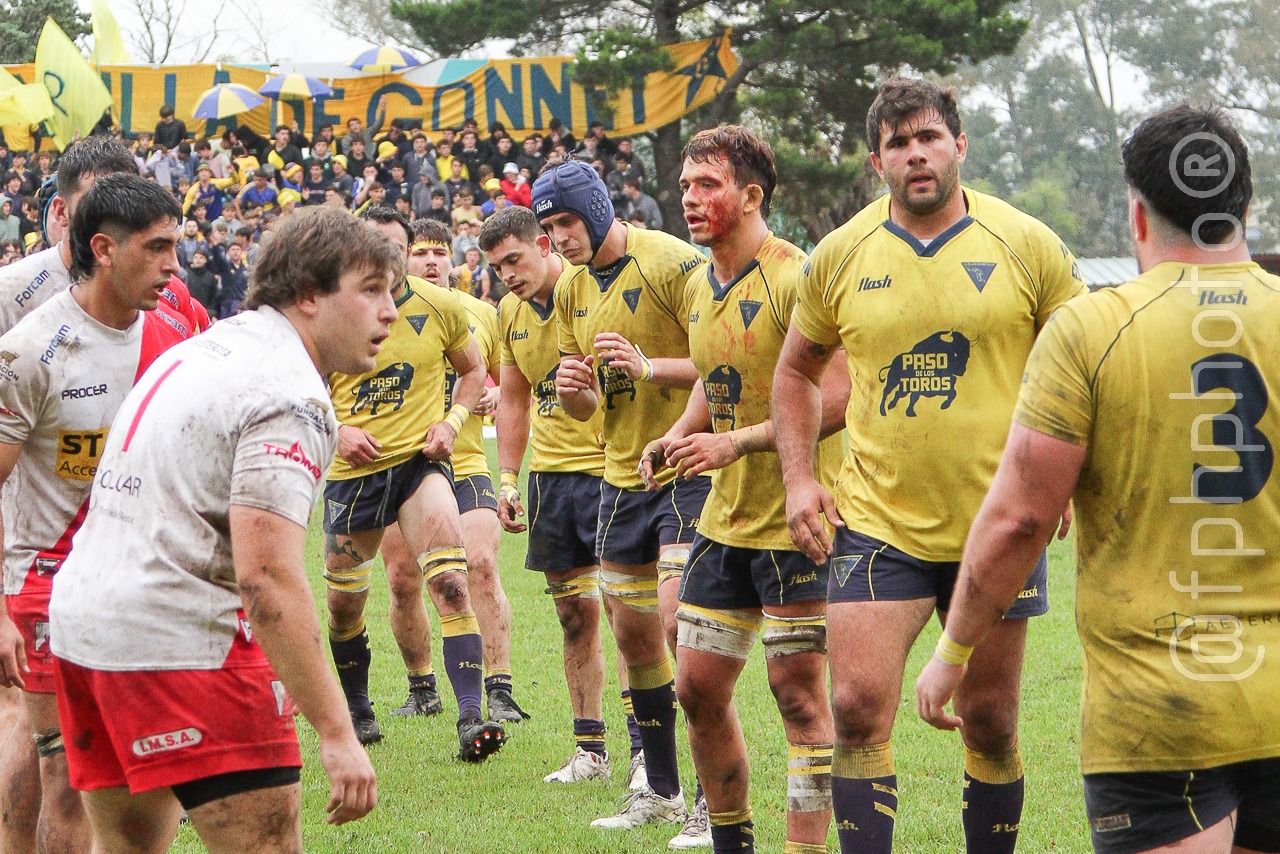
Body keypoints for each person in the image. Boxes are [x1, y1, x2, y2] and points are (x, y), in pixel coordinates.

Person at [916, 103, 1280, 854]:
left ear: (1138, 217)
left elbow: (1021, 517)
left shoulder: (1088, 329)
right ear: (1241, 207)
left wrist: (952, 652)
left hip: (1156, 711)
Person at [771, 77, 1084, 854]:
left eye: (929, 138)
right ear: (876, 159)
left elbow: (1085, 362)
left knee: (991, 721)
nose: (916, 155)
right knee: (855, 706)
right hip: (879, 522)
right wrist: (800, 478)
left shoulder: (1028, 243)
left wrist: (1067, 475)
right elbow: (795, 373)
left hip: (998, 523)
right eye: (898, 143)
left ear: (960, 147)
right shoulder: (840, 255)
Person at [46, 205, 392, 851]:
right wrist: (339, 733)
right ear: (309, 294)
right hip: (180, 640)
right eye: (371, 289)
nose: (390, 311)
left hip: (85, 625)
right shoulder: (287, 394)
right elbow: (267, 579)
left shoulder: (208, 346)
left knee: (126, 846)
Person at [642, 126, 849, 854]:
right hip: (724, 522)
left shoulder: (799, 277)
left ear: (751, 195)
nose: (691, 199)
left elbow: (844, 394)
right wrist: (681, 434)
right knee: (696, 689)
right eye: (687, 187)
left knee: (798, 698)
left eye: (708, 186)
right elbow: (713, 373)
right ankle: (731, 840)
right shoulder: (698, 284)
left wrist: (737, 441)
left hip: (798, 522)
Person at [0, 173, 192, 854]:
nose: (174, 264)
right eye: (158, 247)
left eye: (177, 245)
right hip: (48, 584)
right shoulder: (31, 350)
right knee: (65, 776)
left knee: (150, 772)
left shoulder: (175, 337)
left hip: (147, 584)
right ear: (104, 249)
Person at [537, 159, 710, 840]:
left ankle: (708, 797)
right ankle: (659, 791)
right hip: (618, 475)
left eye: (567, 222)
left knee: (678, 623)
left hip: (687, 463)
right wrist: (577, 386)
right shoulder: (571, 290)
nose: (560, 238)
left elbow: (725, 359)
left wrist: (649, 365)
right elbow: (583, 407)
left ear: (600, 208)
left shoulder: (672, 262)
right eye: (549, 227)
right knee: (634, 633)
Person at [322, 207, 507, 761]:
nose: (387, 255)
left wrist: (451, 423)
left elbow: (475, 372)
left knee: (451, 582)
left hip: (416, 468)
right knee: (342, 607)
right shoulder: (330, 308)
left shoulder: (442, 307)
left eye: (396, 246)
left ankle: (472, 719)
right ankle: (359, 710)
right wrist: (337, 430)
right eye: (374, 244)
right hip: (354, 473)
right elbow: (295, 386)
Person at [483, 205, 651, 786]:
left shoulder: (592, 293)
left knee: (626, 615)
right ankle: (590, 751)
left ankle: (643, 752)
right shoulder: (508, 312)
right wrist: (507, 478)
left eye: (514, 258)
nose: (506, 273)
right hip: (551, 480)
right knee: (572, 616)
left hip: (609, 469)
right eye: (495, 265)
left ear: (544, 245)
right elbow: (513, 399)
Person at [406, 218, 523, 722]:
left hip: (470, 460)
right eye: (420, 253)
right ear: (405, 260)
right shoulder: (386, 314)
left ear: (453, 261)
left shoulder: (482, 314)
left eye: (439, 252)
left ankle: (499, 688)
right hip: (407, 465)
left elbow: (508, 381)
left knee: (479, 564)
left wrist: (496, 393)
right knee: (401, 581)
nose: (432, 261)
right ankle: (421, 687)